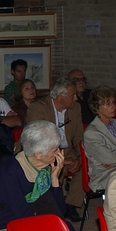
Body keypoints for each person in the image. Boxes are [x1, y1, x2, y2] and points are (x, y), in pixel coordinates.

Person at [0, 121, 94, 231]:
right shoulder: (10, 171)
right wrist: (50, 228)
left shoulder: (45, 170)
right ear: (38, 154)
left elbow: (59, 211)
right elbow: (21, 215)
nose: (60, 153)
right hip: (14, 222)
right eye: (55, 150)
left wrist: (55, 178)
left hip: (42, 218)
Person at [25, 78, 86, 222]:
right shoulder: (38, 108)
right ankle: (52, 205)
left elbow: (78, 136)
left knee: (86, 165)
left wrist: (78, 157)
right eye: (72, 95)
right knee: (55, 169)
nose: (76, 98)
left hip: (67, 149)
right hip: (43, 151)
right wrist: (62, 160)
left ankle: (70, 204)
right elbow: (36, 141)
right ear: (60, 96)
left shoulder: (75, 108)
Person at [82, 86, 116, 191]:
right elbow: (111, 158)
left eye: (114, 102)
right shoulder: (91, 133)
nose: (113, 106)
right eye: (108, 104)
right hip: (105, 175)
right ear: (97, 108)